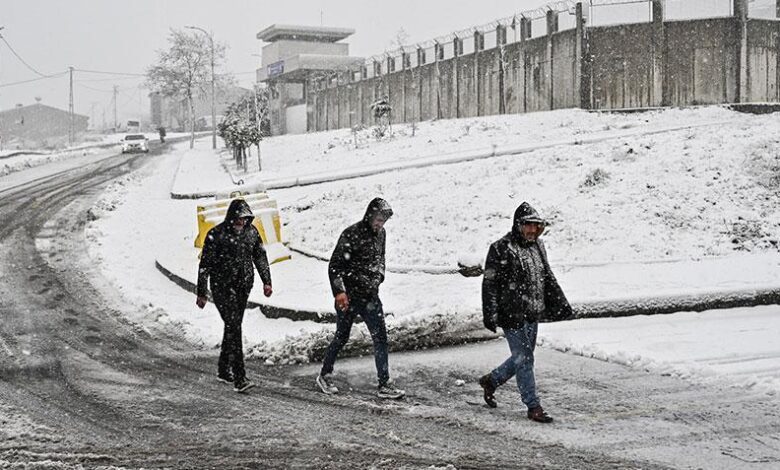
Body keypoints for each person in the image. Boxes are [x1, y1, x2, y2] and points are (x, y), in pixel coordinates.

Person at [479, 202, 573, 423]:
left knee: (523, 357)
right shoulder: (500, 248)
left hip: (532, 311)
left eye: (536, 226)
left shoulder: (538, 246)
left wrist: (560, 303)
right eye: (528, 226)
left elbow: (546, 276)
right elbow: (489, 283)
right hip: (511, 314)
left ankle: (492, 380)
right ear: (518, 225)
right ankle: (533, 405)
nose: (532, 230)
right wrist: (490, 313)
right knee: (525, 359)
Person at [316, 198, 405, 399]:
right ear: (370, 215)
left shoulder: (381, 234)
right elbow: (335, 267)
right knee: (342, 336)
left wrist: (379, 278)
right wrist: (339, 292)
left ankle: (384, 383)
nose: (380, 224)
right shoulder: (351, 234)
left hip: (370, 297)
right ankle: (324, 374)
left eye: (383, 220)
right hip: (349, 296)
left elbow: (381, 260)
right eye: (378, 219)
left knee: (380, 337)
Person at [196, 199, 273, 393]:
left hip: (243, 287)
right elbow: (205, 265)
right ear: (231, 218)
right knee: (234, 326)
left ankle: (223, 369)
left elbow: (260, 257)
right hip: (222, 287)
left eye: (245, 219)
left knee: (232, 326)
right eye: (238, 219)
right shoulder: (216, 234)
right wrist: (202, 293)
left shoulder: (251, 232)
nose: (241, 223)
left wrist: (267, 281)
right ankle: (240, 377)